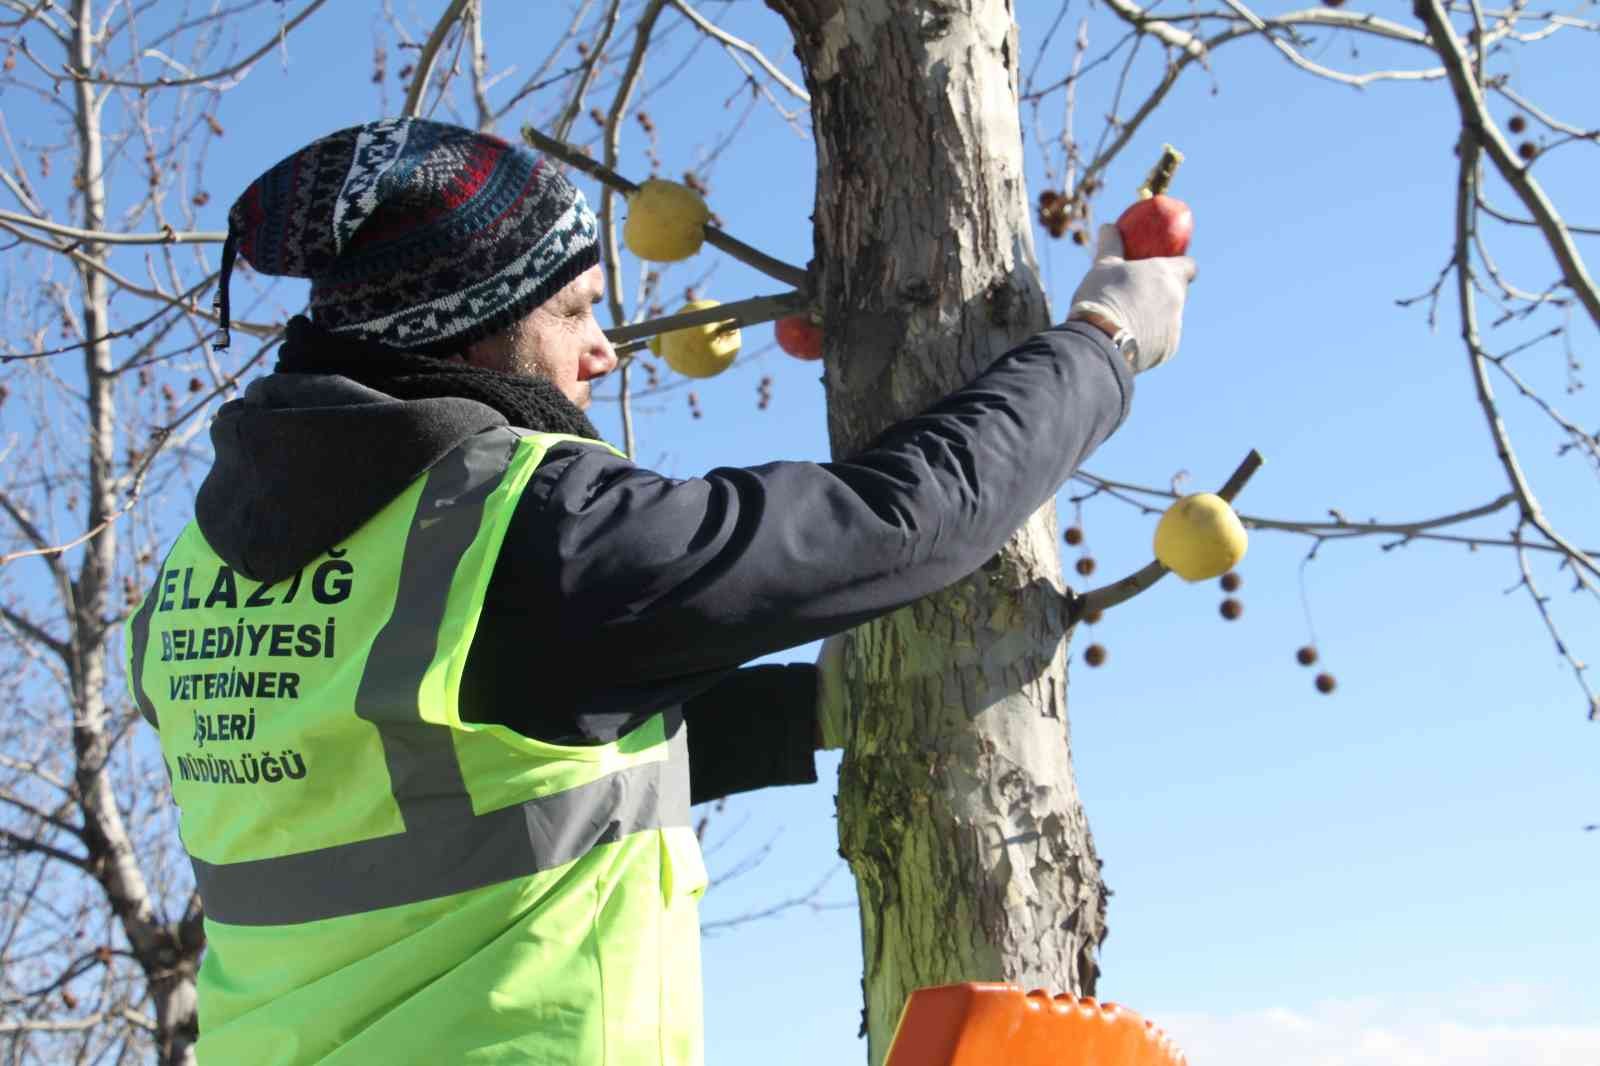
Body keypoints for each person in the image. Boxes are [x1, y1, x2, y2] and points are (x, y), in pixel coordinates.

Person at [124, 117, 1195, 1065]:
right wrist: (1104, 342)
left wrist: (805, 713)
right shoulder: (526, 530)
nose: (602, 352)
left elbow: (459, 787)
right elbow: (903, 518)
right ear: (473, 324)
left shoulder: (186, 584)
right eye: (576, 310)